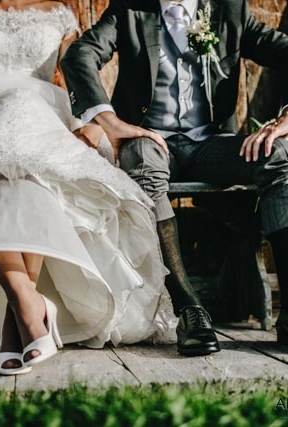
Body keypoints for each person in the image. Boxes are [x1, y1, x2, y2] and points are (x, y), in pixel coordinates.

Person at [0, 0, 174, 375]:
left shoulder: (59, 14)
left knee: (31, 161)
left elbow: (75, 77)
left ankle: (22, 315)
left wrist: (96, 121)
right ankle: (28, 303)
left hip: (41, 111)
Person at [61, 0, 288, 355]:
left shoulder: (230, 10)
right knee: (143, 167)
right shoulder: (130, 9)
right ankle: (190, 310)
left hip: (210, 144)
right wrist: (112, 123)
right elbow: (79, 55)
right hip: (150, 138)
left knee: (278, 156)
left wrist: (286, 118)